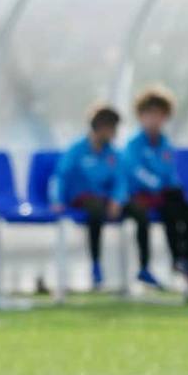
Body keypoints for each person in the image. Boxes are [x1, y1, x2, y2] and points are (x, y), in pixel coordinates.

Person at [118, 86, 188, 290]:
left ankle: (186, 260)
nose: (155, 120)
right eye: (150, 114)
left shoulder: (165, 144)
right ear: (141, 116)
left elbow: (170, 173)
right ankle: (176, 259)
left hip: (164, 196)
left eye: (159, 115)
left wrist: (170, 186)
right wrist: (158, 185)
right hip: (141, 196)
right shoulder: (134, 144)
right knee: (171, 210)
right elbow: (135, 171)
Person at [49, 105, 136, 289]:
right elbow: (60, 177)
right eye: (112, 128)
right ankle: (96, 263)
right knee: (95, 209)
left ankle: (143, 267)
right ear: (101, 127)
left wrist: (117, 200)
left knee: (138, 210)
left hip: (104, 199)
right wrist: (56, 200)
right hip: (81, 198)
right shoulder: (77, 150)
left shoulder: (113, 153)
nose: (114, 133)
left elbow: (120, 180)